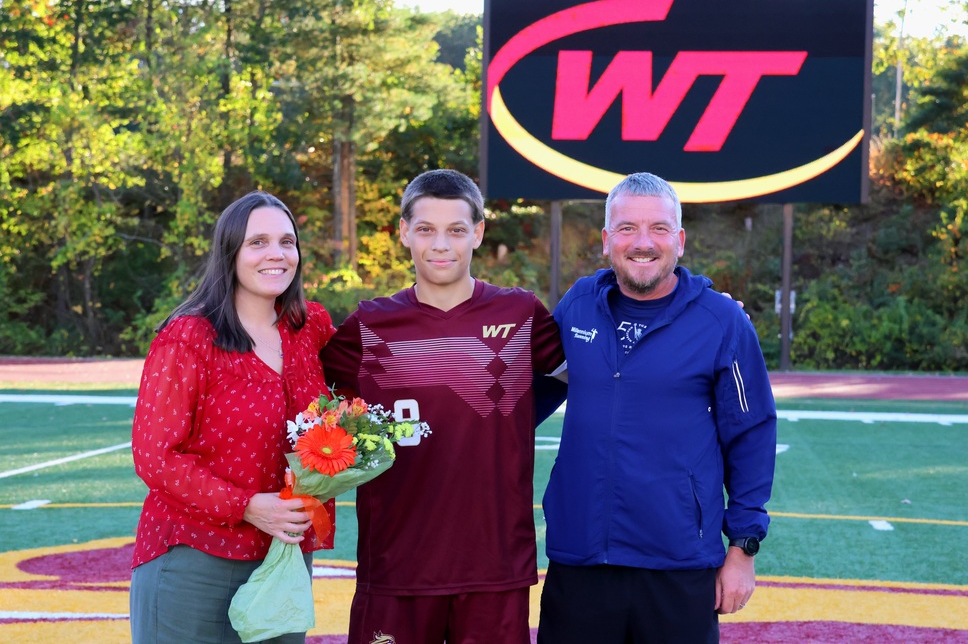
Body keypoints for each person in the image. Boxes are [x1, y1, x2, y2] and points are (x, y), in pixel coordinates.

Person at [320, 169, 564, 644]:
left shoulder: (520, 314)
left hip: (494, 564)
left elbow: (599, 371)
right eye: (426, 229)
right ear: (404, 233)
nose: (441, 244)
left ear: (477, 233)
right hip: (396, 564)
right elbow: (304, 392)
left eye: (456, 230)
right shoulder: (369, 325)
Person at [537, 172, 777, 643]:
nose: (642, 242)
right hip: (581, 557)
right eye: (627, 228)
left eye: (659, 229)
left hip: (678, 562)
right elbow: (527, 395)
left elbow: (751, 435)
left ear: (680, 240)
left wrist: (743, 550)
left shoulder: (722, 320)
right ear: (607, 240)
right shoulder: (579, 304)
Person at [130, 191, 337, 644]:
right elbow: (155, 456)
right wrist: (245, 505)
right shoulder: (188, 337)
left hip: (283, 558)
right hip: (195, 555)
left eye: (287, 241)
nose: (276, 254)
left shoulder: (310, 328)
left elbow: (371, 381)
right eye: (258, 242)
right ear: (231, 252)